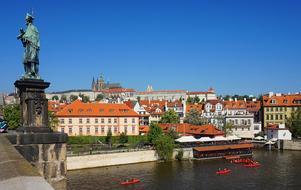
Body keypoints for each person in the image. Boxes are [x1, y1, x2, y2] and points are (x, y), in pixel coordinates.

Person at [17, 13, 40, 79]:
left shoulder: (33, 28)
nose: (26, 21)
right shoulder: (27, 29)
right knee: (25, 60)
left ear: (29, 20)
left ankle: (33, 73)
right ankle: (27, 73)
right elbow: (24, 40)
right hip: (27, 47)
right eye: (26, 20)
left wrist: (27, 38)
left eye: (27, 20)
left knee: (32, 59)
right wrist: (23, 38)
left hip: (33, 46)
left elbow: (35, 37)